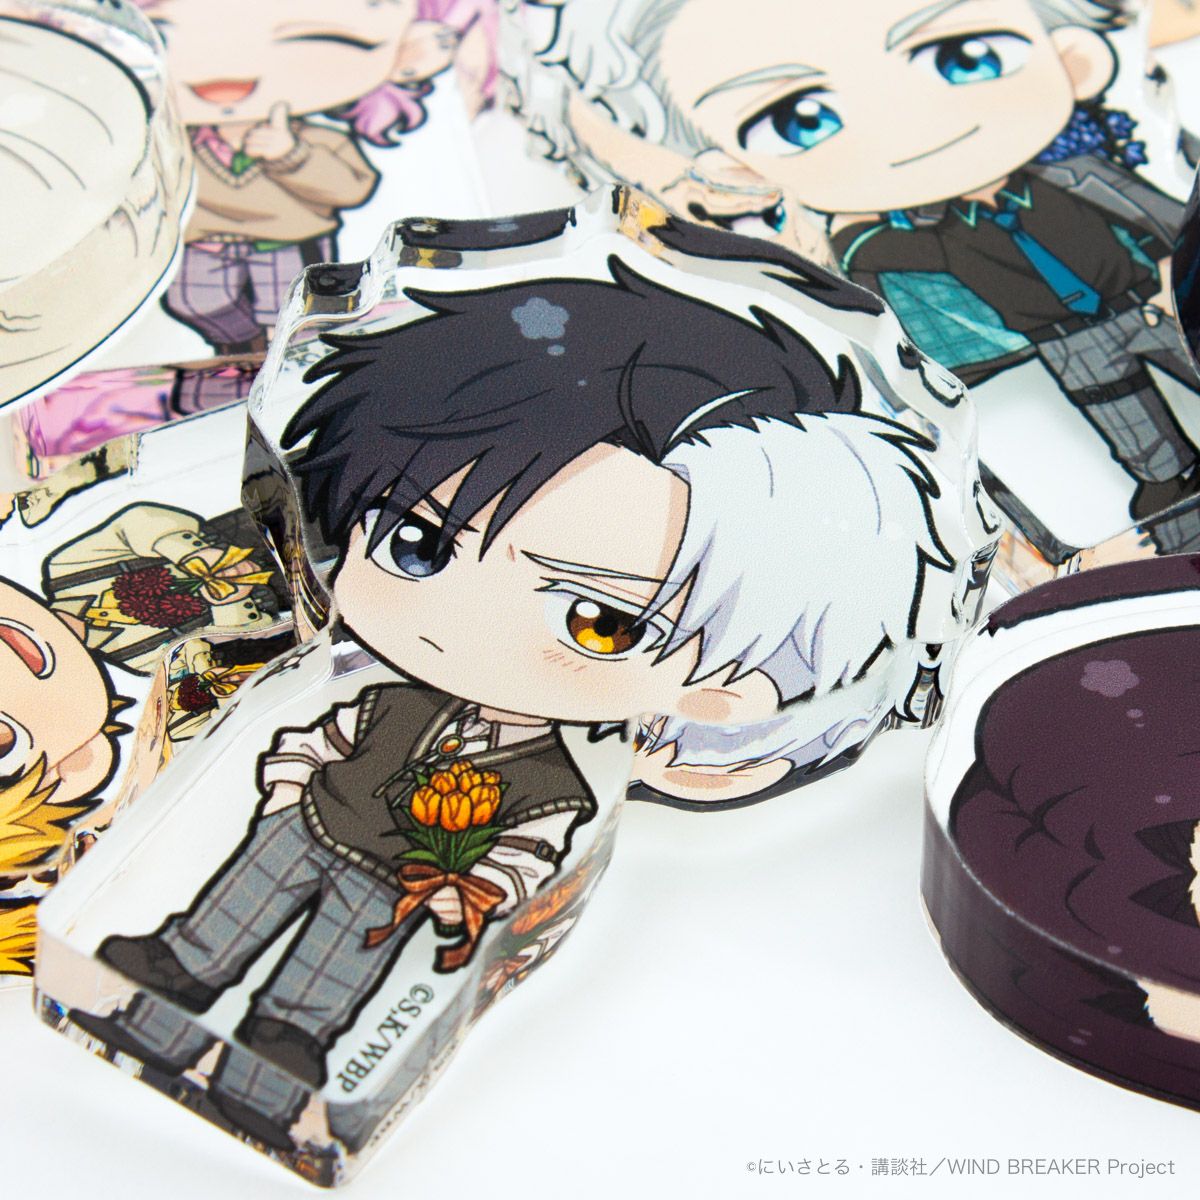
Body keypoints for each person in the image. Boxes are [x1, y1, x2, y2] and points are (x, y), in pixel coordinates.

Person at [70, 252, 982, 1152]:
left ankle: (285, 1050)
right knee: (207, 928)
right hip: (296, 825)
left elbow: (527, 851)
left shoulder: (568, 779)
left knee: (319, 992)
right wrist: (289, 772)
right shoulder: (372, 688)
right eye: (416, 542)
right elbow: (330, 730)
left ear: (729, 689)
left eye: (598, 623)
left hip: (396, 892)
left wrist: (478, 892)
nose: (450, 625)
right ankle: (167, 978)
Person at [508, 0, 1200, 549]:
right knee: (1135, 427)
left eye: (966, 56)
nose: (910, 123)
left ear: (1074, 57)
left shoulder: (1082, 171)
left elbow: (1158, 213)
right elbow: (879, 307)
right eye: (800, 119)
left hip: (1152, 303)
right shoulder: (884, 245)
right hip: (1062, 347)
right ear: (731, 172)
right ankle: (1174, 505)